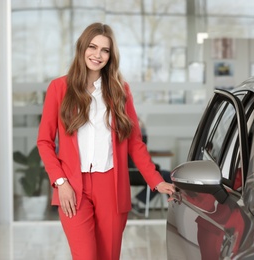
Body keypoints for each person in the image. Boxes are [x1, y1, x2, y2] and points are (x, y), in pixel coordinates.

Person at [37, 22, 175, 260]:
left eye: (105, 50)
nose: (97, 55)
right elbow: (44, 142)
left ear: (111, 56)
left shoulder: (121, 90)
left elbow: (134, 142)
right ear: (82, 48)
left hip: (110, 188)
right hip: (72, 187)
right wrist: (61, 183)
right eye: (92, 47)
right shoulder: (59, 88)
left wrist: (156, 181)